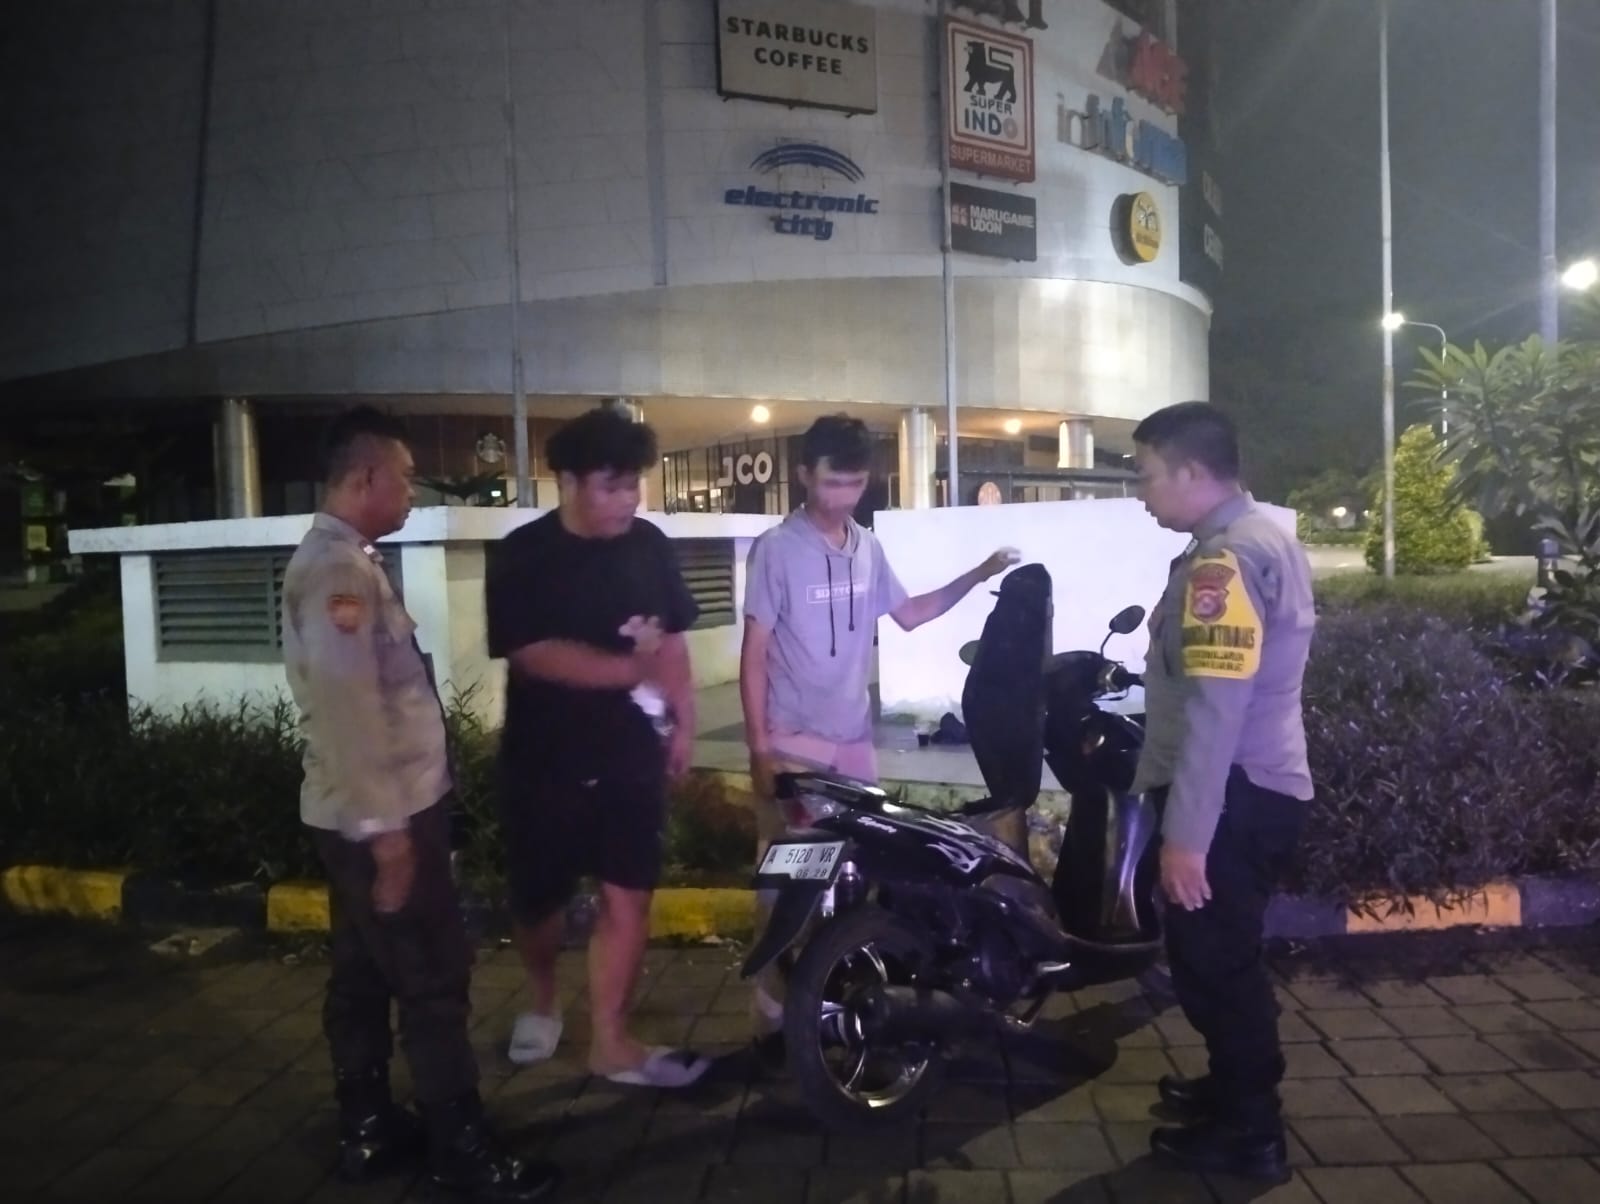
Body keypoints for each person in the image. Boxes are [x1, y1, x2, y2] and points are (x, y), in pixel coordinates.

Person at [281, 405, 558, 1202]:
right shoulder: (338, 575)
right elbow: (351, 713)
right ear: (366, 475)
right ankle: (460, 1148)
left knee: (364, 973)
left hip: (356, 813)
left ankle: (369, 1126)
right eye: (404, 476)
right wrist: (389, 838)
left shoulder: (344, 562)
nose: (412, 490)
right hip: (383, 816)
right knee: (433, 976)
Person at [739, 413, 1018, 1050]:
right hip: (793, 744)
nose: (843, 497)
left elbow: (911, 613)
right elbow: (753, 653)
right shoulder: (777, 549)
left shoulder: (867, 547)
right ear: (804, 474)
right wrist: (759, 749)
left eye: (856, 484)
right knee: (788, 885)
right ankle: (772, 1017)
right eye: (831, 483)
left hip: (852, 744)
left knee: (856, 878)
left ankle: (835, 1003)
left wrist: (979, 573)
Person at [486, 405, 710, 1088]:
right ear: (569, 482)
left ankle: (610, 1039)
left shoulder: (650, 546)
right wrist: (629, 672)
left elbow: (672, 639)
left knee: (629, 893)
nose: (628, 499)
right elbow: (533, 653)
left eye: (633, 484)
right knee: (539, 902)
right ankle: (544, 998)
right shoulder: (523, 555)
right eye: (612, 485)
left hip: (630, 751)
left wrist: (685, 719)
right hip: (544, 756)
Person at [1128, 401, 1315, 1184]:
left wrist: (1186, 837)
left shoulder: (1224, 563)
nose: (1143, 494)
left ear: (1192, 472)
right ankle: (1231, 1090)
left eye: (1148, 475)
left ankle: (1251, 1134)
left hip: (1231, 794)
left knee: (1217, 964)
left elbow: (1216, 708)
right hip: (1253, 786)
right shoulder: (1259, 536)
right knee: (1216, 955)